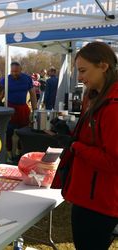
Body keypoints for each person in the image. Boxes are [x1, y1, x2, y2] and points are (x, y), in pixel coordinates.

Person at [60, 41, 118, 250]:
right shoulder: (94, 97)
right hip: (90, 195)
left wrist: (78, 148)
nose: (80, 77)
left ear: (103, 66)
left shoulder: (113, 108)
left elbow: (114, 161)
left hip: (99, 202)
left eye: (83, 70)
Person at [0, 62, 37, 161]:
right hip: (10, 109)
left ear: (21, 70)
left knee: (23, 132)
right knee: (9, 131)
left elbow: (32, 94)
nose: (14, 73)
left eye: (16, 71)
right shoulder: (5, 80)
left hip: (23, 109)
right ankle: (9, 153)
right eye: (12, 71)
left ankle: (20, 152)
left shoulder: (27, 79)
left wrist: (35, 110)